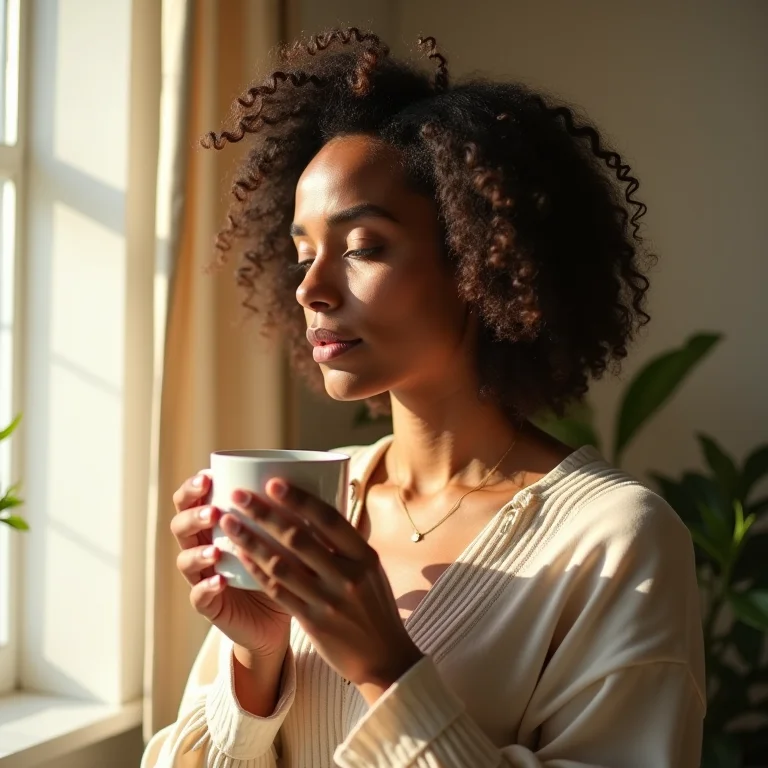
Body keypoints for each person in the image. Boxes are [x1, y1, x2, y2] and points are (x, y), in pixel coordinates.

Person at [142, 28, 705, 768]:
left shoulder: (617, 540)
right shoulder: (312, 503)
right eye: (303, 253)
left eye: (363, 246)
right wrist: (256, 657)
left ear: (480, 262)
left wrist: (386, 667)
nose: (310, 289)